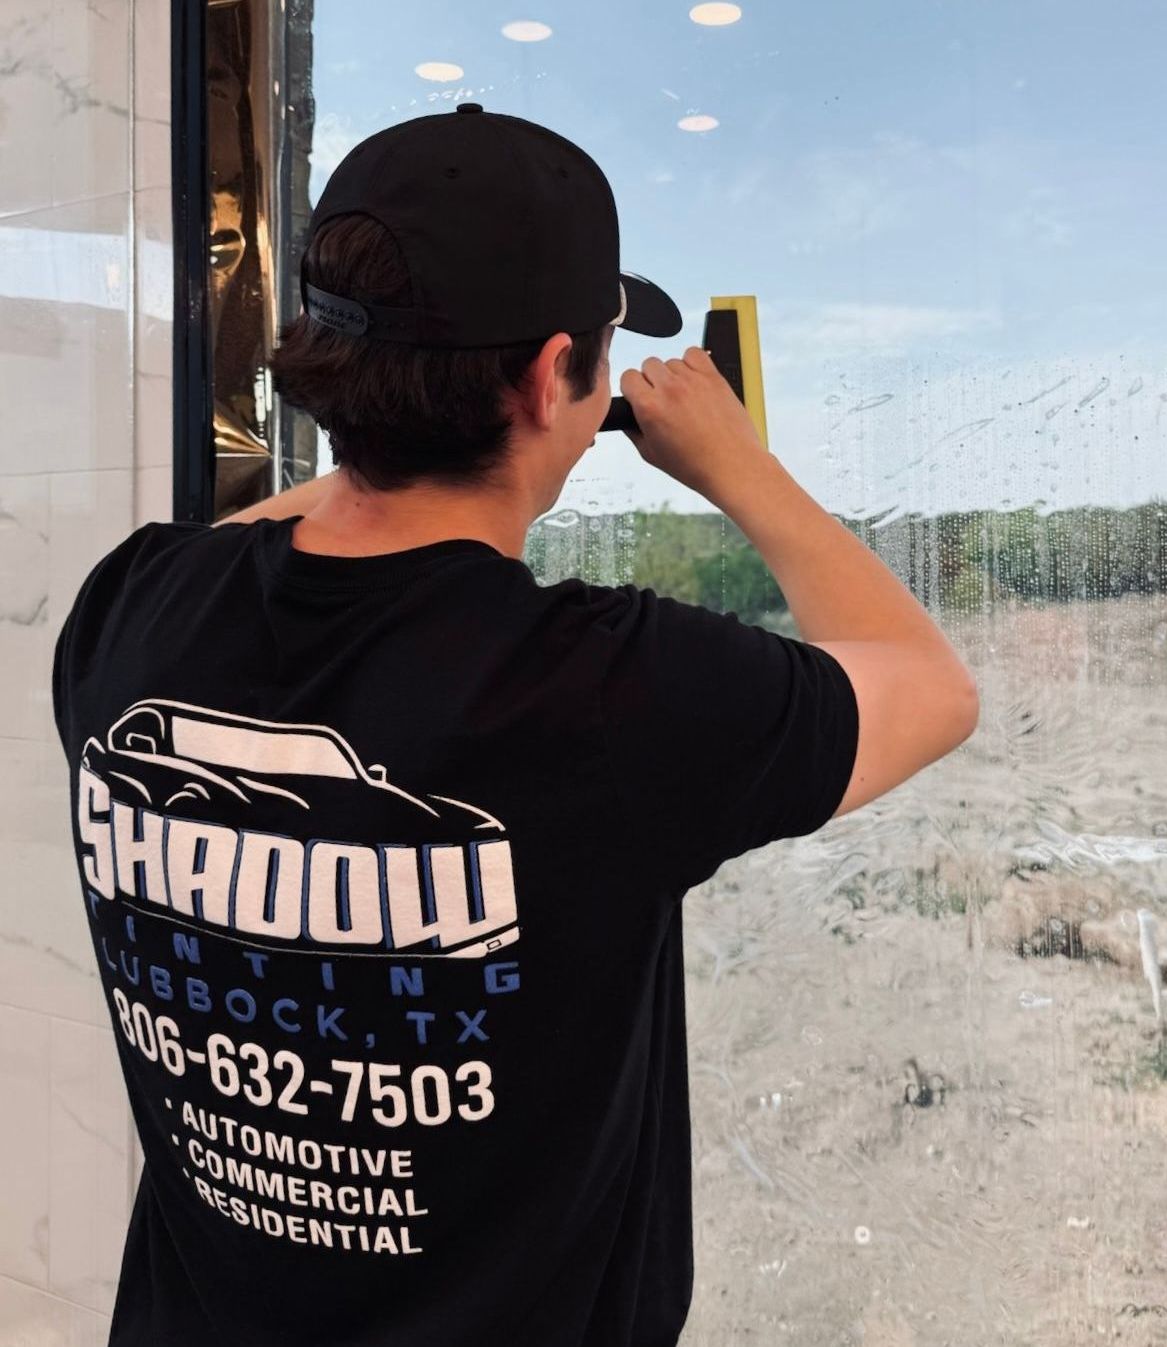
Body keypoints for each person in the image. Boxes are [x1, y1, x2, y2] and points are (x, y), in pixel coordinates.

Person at [50, 107, 977, 1347]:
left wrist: (395, 422)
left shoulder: (128, 612)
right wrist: (735, 464)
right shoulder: (604, 692)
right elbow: (930, 684)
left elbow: (277, 541)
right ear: (555, 377)